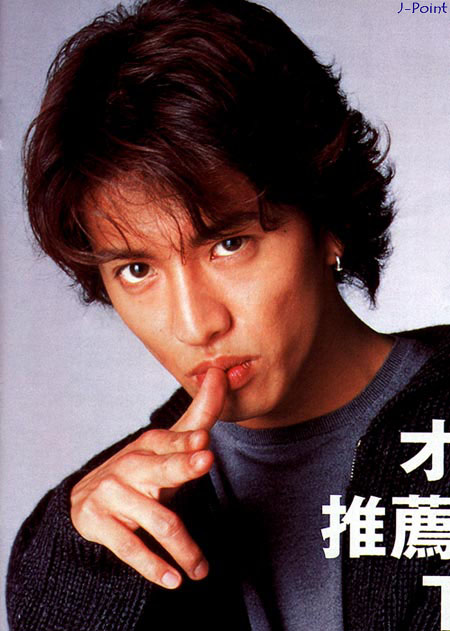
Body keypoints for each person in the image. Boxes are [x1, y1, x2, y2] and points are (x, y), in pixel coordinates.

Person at [6, 0, 449, 629]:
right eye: (137, 269)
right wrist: (90, 579)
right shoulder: (86, 534)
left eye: (230, 244)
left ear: (328, 221)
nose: (195, 324)